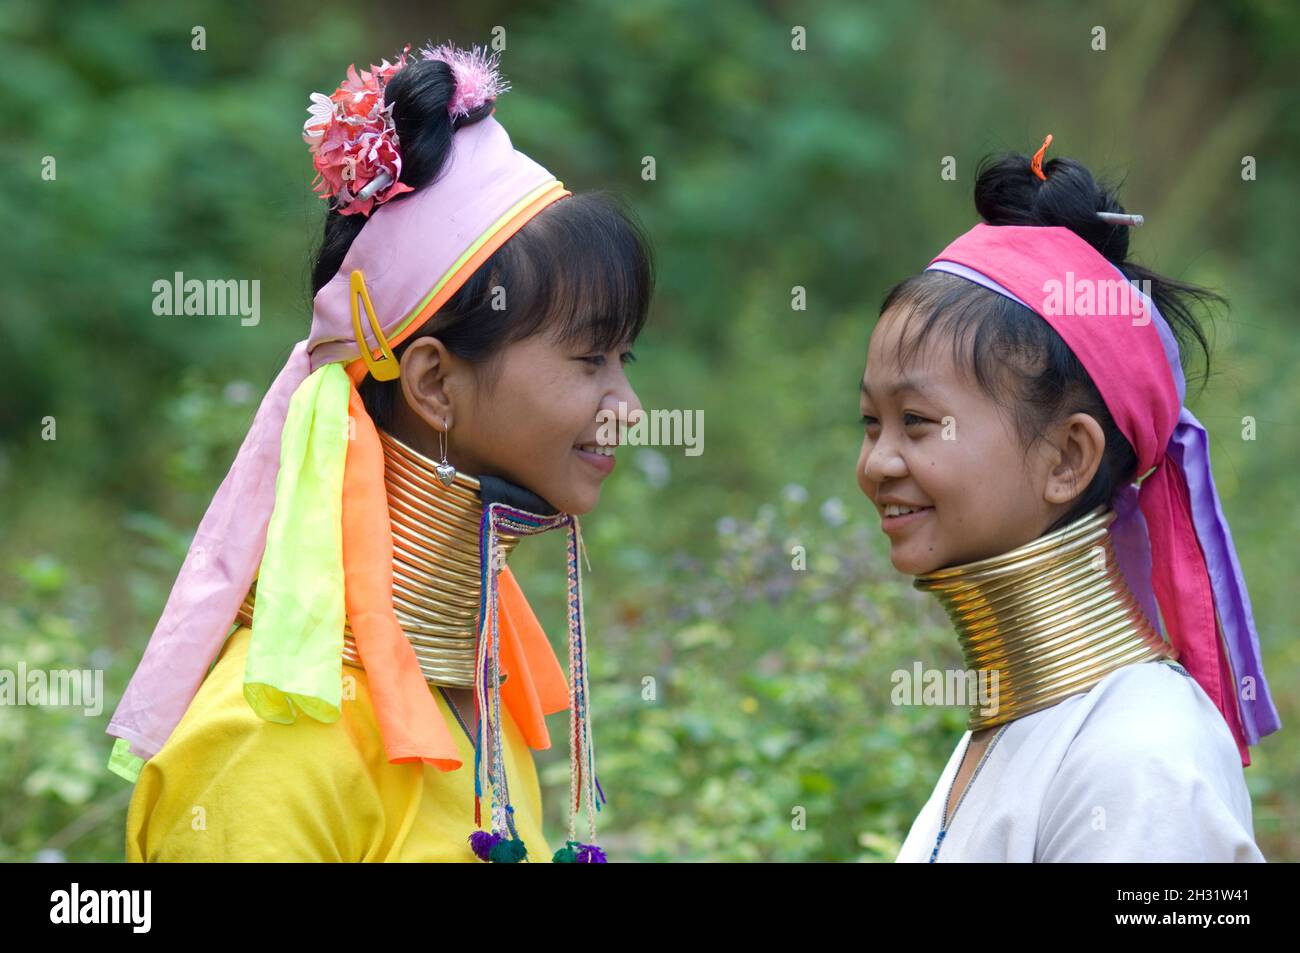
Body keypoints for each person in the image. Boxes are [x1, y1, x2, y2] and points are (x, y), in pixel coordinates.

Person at [107, 41, 653, 862]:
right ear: (434, 382)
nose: (630, 411)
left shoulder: (478, 703)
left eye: (625, 361)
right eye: (589, 360)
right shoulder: (268, 742)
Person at [857, 136, 1280, 862]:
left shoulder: (1142, 754)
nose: (875, 462)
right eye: (871, 422)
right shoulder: (1008, 735)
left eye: (917, 422)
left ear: (1067, 457)